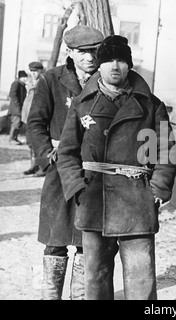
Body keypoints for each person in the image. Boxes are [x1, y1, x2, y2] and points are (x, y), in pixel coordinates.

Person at [57, 35, 176, 300]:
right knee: (96, 277)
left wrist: (157, 189)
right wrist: (78, 188)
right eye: (108, 59)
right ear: (98, 65)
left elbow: (167, 151)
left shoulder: (151, 105)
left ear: (129, 65)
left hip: (137, 201)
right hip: (94, 200)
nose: (115, 66)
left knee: (140, 276)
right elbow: (67, 152)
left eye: (121, 60)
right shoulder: (81, 104)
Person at [26, 25, 104, 300]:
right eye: (83, 52)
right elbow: (35, 124)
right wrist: (47, 157)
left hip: (93, 175)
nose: (89, 58)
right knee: (55, 241)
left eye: (94, 51)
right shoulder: (52, 79)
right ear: (70, 52)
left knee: (88, 243)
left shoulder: (107, 80)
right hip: (59, 171)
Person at [22, 61, 45, 176]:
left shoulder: (43, 82)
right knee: (30, 142)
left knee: (39, 142)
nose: (33, 74)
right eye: (31, 71)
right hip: (28, 116)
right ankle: (34, 165)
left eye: (35, 71)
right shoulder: (30, 83)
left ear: (41, 71)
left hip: (38, 116)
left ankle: (42, 166)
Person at [8, 70, 28, 145]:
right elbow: (13, 94)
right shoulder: (16, 83)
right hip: (15, 108)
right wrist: (17, 104)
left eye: (26, 77)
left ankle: (15, 138)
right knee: (15, 123)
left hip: (19, 108)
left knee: (19, 124)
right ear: (20, 77)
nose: (25, 79)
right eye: (24, 77)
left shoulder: (22, 85)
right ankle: (11, 139)